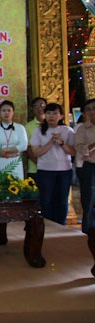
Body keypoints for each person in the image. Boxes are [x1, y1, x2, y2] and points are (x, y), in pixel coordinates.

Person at [30, 102, 75, 225]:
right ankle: (48, 225)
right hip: (45, 170)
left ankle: (61, 225)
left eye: (55, 113)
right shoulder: (39, 131)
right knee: (45, 200)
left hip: (64, 170)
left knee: (61, 200)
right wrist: (51, 141)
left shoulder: (67, 130)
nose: (51, 116)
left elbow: (73, 152)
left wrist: (61, 143)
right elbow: (36, 152)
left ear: (60, 116)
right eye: (48, 113)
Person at [73, 99, 95, 275]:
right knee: (89, 199)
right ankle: (89, 231)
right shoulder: (81, 129)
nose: (92, 112)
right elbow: (82, 150)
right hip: (89, 168)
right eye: (89, 109)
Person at [0, 100, 28, 179]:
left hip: (15, 161)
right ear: (0, 113)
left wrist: (7, 150)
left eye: (9, 110)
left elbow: (24, 146)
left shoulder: (20, 128)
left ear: (13, 113)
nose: (6, 113)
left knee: (17, 186)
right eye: (3, 111)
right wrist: (4, 154)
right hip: (0, 160)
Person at [25, 97, 47, 181]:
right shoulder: (28, 126)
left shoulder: (53, 124)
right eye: (36, 106)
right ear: (32, 109)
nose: (39, 108)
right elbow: (28, 148)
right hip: (35, 168)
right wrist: (38, 163)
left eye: (42, 105)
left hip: (52, 167)